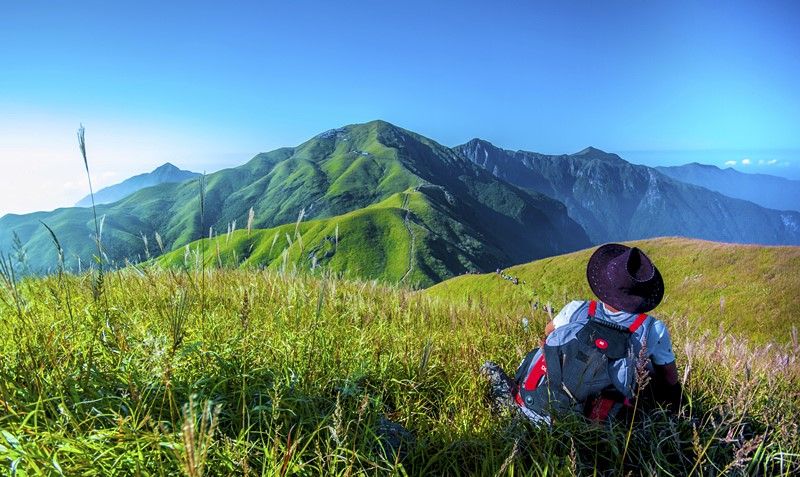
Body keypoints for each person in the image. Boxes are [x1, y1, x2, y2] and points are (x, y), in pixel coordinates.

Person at [481, 243, 682, 423]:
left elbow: (548, 334)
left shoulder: (576, 309)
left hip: (537, 405)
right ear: (642, 294)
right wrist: (677, 411)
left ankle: (517, 398)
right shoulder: (653, 330)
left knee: (537, 351)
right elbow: (670, 380)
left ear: (605, 284)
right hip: (596, 430)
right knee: (651, 370)